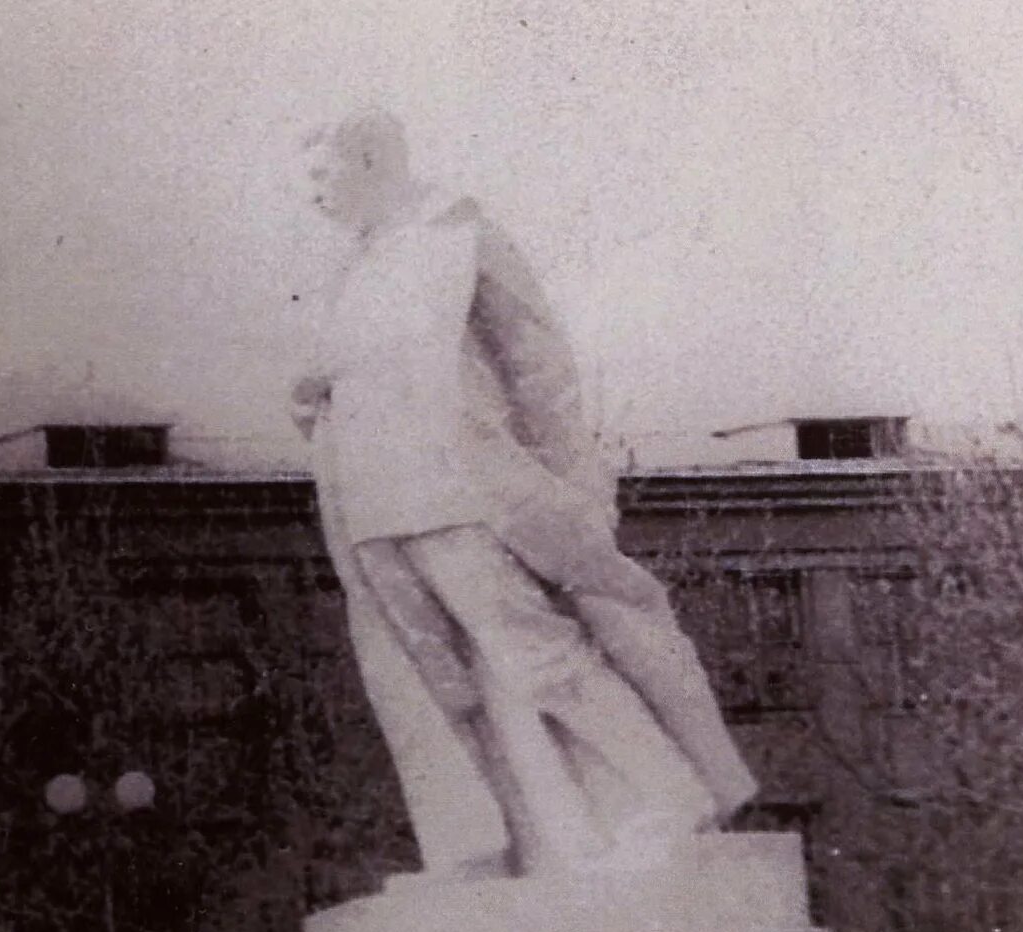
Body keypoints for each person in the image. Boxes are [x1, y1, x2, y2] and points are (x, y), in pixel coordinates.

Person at [296, 108, 757, 878]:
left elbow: (538, 364)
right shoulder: (351, 268)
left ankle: (675, 792)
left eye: (321, 175)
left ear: (371, 157)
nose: (312, 196)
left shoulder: (458, 236)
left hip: (455, 489)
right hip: (374, 503)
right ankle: (536, 842)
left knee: (537, 655)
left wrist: (569, 479)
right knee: (455, 686)